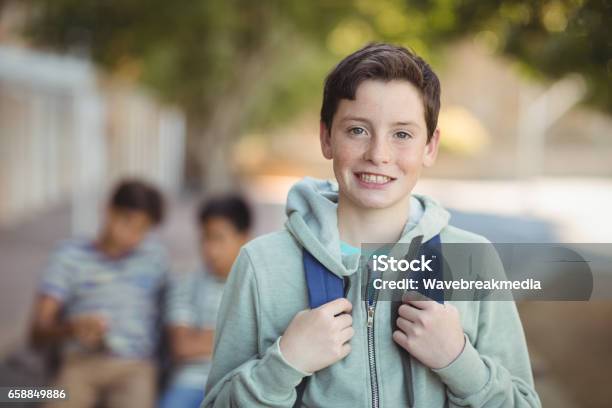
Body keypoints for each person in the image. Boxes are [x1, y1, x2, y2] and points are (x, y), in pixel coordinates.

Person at [201, 43, 541, 407]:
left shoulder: (474, 260)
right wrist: (284, 364)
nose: (379, 154)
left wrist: (459, 362)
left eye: (402, 134)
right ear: (326, 137)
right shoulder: (261, 264)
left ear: (430, 146)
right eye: (358, 130)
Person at [29, 179, 169, 408]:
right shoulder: (68, 256)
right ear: (107, 210)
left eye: (142, 229)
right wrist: (71, 328)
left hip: (135, 367)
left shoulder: (155, 258)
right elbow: (36, 333)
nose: (132, 236)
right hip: (79, 364)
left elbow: (169, 315)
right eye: (127, 222)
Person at [159, 195, 252, 408]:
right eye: (205, 238)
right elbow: (182, 346)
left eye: (218, 238)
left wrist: (203, 337)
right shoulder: (186, 284)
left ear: (244, 237)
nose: (210, 249)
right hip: (190, 384)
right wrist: (239, 338)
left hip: (240, 384)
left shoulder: (257, 286)